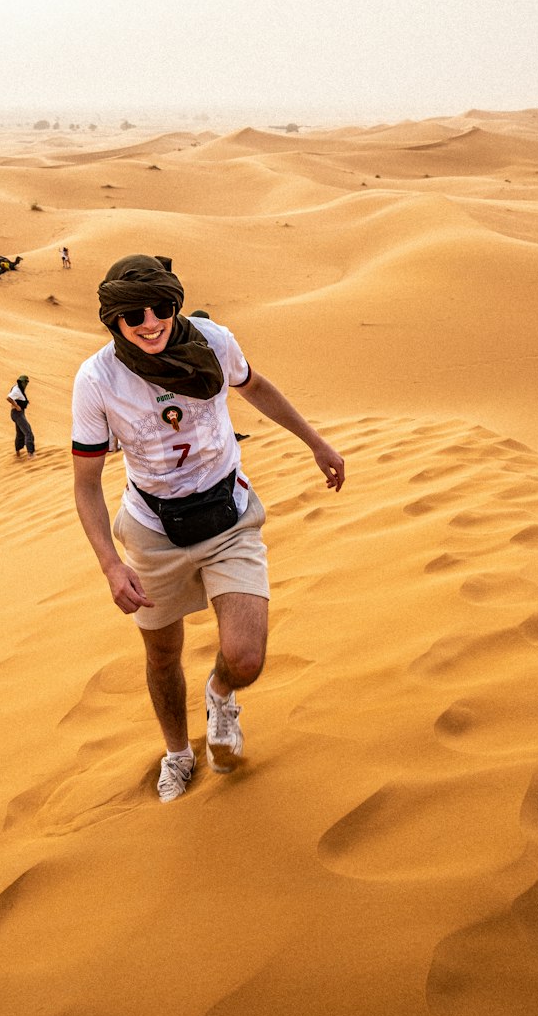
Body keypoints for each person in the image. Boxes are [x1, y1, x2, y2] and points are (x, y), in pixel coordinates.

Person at [71, 254, 344, 803]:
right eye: (134, 317)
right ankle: (177, 754)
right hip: (152, 530)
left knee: (245, 656)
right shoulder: (97, 380)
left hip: (229, 515)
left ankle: (221, 696)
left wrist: (316, 442)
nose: (150, 323)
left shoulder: (215, 342)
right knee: (162, 655)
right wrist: (109, 562)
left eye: (161, 309)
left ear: (174, 304)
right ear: (114, 323)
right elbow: (85, 483)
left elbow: (256, 386)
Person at [7, 375, 35, 457]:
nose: (26, 384)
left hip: (17, 414)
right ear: (22, 382)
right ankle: (31, 454)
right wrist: (16, 406)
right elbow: (8, 398)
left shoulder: (18, 388)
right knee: (28, 432)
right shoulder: (17, 390)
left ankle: (17, 453)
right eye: (26, 382)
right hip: (17, 414)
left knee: (20, 434)